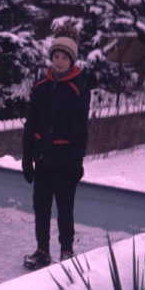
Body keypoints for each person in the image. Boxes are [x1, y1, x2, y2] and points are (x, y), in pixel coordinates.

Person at [21, 24, 91, 270]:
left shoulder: (78, 89)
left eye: (64, 57)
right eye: (56, 56)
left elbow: (80, 128)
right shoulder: (41, 86)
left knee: (64, 208)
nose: (59, 62)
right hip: (42, 159)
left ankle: (66, 250)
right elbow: (31, 122)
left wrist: (77, 161)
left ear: (72, 61)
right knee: (41, 206)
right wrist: (27, 156)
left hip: (65, 161)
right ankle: (42, 250)